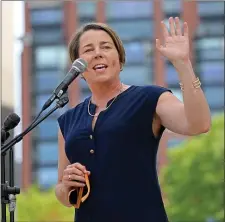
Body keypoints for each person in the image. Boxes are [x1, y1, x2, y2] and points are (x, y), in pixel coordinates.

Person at [55, 17, 211, 222]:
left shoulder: (149, 99)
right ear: (79, 68)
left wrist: (183, 64)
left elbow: (199, 124)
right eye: (88, 50)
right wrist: (66, 187)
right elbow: (61, 192)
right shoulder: (68, 120)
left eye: (106, 47)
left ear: (120, 60)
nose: (98, 53)